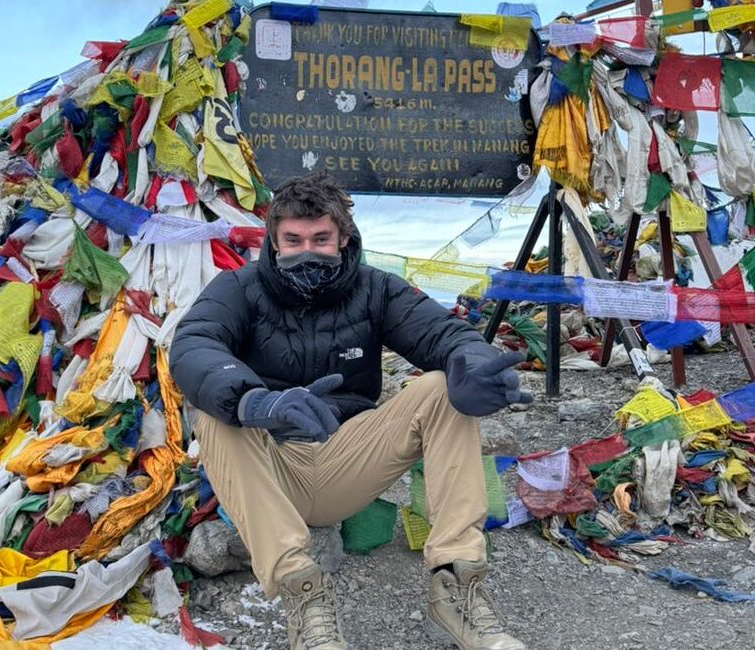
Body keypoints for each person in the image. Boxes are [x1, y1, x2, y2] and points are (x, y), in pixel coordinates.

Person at [170, 171, 532, 650]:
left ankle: (456, 584)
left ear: (343, 239)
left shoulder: (377, 289)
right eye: (293, 240)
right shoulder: (237, 289)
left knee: (444, 385)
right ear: (274, 243)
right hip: (270, 465)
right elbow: (193, 345)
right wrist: (257, 400)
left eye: (321, 238)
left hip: (348, 457)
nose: (307, 251)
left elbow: (445, 335)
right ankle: (305, 597)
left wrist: (478, 368)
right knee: (218, 410)